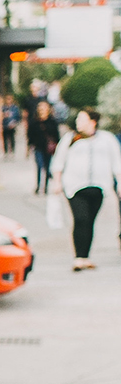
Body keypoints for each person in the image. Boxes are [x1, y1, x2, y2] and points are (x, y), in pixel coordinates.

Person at [49, 107, 121, 270]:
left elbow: (117, 163)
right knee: (81, 218)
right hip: (75, 186)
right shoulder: (71, 139)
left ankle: (85, 256)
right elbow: (58, 162)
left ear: (92, 122)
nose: (78, 123)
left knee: (89, 221)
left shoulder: (106, 139)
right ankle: (78, 257)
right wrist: (57, 182)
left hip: (99, 187)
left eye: (82, 119)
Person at [27, 98, 60, 194]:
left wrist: (57, 147)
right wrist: (29, 146)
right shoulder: (34, 122)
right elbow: (30, 135)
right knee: (39, 166)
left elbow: (56, 135)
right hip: (38, 147)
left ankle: (45, 187)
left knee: (47, 167)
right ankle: (38, 186)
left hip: (48, 148)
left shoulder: (52, 122)